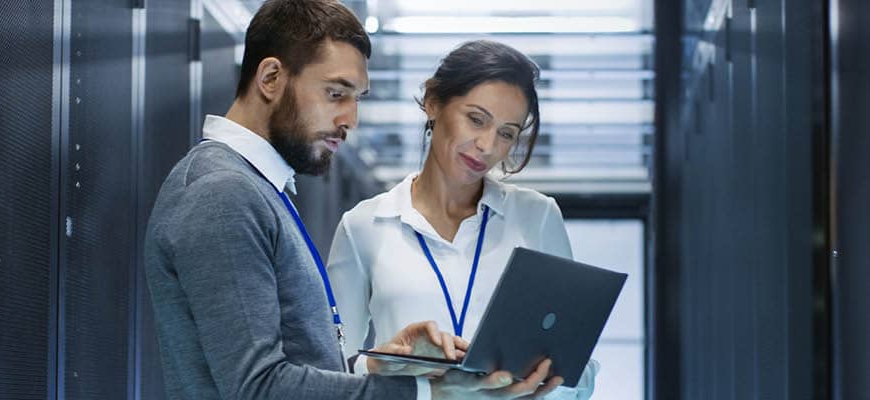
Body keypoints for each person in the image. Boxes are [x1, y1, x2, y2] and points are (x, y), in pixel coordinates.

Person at [144, 1, 561, 399]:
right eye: (335, 93)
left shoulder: (258, 190)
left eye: (356, 99)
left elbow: (300, 369)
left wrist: (382, 364)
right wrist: (425, 391)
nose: (350, 120)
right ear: (270, 78)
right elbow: (258, 388)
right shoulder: (222, 193)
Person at [326, 40, 601, 399]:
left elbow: (579, 370)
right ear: (433, 102)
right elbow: (328, 369)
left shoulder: (537, 217)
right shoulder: (364, 225)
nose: (487, 145)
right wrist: (383, 366)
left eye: (506, 134)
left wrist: (546, 385)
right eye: (476, 119)